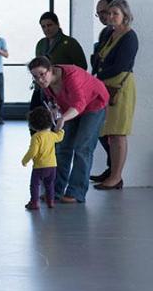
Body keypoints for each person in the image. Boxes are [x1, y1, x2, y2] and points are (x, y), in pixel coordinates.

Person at [27, 56, 108, 203]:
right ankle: (55, 190)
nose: (40, 79)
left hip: (93, 104)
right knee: (62, 147)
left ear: (51, 70)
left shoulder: (71, 76)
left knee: (82, 147)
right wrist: (55, 114)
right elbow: (54, 103)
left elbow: (80, 103)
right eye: (35, 76)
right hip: (69, 108)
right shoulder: (46, 86)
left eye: (42, 74)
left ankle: (76, 192)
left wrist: (63, 118)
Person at [93, 0, 138, 190]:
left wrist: (97, 77)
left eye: (115, 14)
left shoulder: (129, 36)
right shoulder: (110, 33)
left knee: (118, 134)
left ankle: (116, 177)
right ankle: (112, 173)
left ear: (125, 16)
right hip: (106, 86)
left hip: (120, 88)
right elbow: (99, 57)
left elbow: (121, 64)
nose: (110, 17)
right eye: (109, 14)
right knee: (108, 132)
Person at [30, 11, 87, 110]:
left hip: (64, 87)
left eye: (49, 25)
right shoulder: (41, 44)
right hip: (43, 86)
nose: (47, 29)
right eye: (43, 27)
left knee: (60, 117)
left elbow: (82, 66)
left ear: (57, 24)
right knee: (37, 115)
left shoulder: (70, 43)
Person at [88, 0, 116, 182]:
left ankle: (114, 171)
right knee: (100, 129)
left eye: (104, 12)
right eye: (98, 14)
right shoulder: (105, 33)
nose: (102, 17)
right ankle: (110, 168)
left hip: (113, 85)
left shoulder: (120, 34)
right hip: (100, 83)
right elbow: (97, 60)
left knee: (111, 130)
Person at [21, 106, 64, 210]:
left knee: (35, 185)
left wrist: (25, 160)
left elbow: (33, 151)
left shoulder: (36, 137)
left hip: (39, 167)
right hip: (52, 166)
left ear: (33, 124)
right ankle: (51, 202)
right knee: (50, 185)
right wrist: (61, 130)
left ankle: (34, 202)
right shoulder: (52, 135)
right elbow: (59, 137)